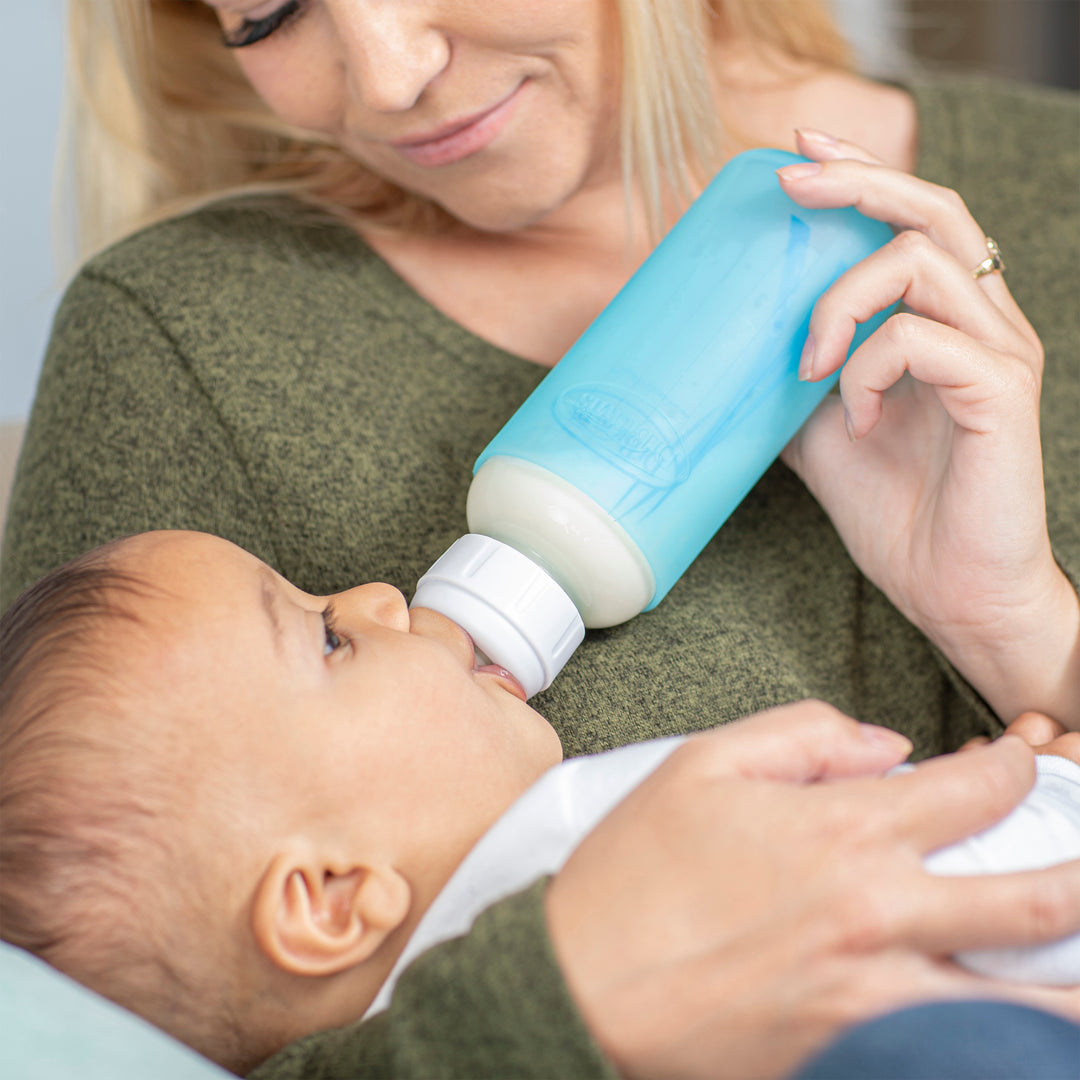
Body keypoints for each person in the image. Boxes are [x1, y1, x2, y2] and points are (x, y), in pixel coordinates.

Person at [0, 0, 1077, 1076]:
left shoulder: (1058, 180)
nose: (387, 77)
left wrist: (1019, 624)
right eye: (268, 13)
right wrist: (557, 997)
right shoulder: (182, 338)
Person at [2, 528, 1080, 1080]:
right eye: (326, 635)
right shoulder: (592, 840)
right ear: (332, 898)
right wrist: (1053, 790)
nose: (378, 594)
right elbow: (992, 905)